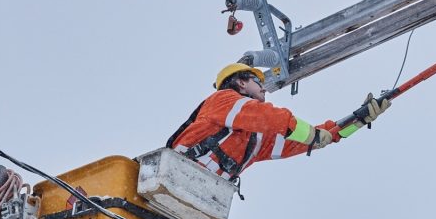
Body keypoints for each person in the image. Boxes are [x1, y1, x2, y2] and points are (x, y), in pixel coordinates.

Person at [166, 63, 390, 180]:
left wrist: (358, 121)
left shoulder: (256, 139)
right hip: (175, 173)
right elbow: (270, 117)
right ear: (241, 83)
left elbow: (304, 141)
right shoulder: (222, 100)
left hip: (201, 194)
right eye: (257, 80)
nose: (264, 87)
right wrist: (312, 134)